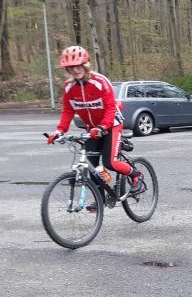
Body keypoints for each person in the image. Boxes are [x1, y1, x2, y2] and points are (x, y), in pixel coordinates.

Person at [46, 45, 144, 196]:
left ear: (85, 64)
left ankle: (136, 176)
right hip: (92, 129)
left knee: (110, 163)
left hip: (112, 124)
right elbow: (68, 110)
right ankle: (100, 199)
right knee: (91, 165)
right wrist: (60, 130)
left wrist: (103, 127)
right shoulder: (68, 87)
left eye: (78, 65)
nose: (75, 70)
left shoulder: (100, 81)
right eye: (71, 67)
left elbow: (111, 108)